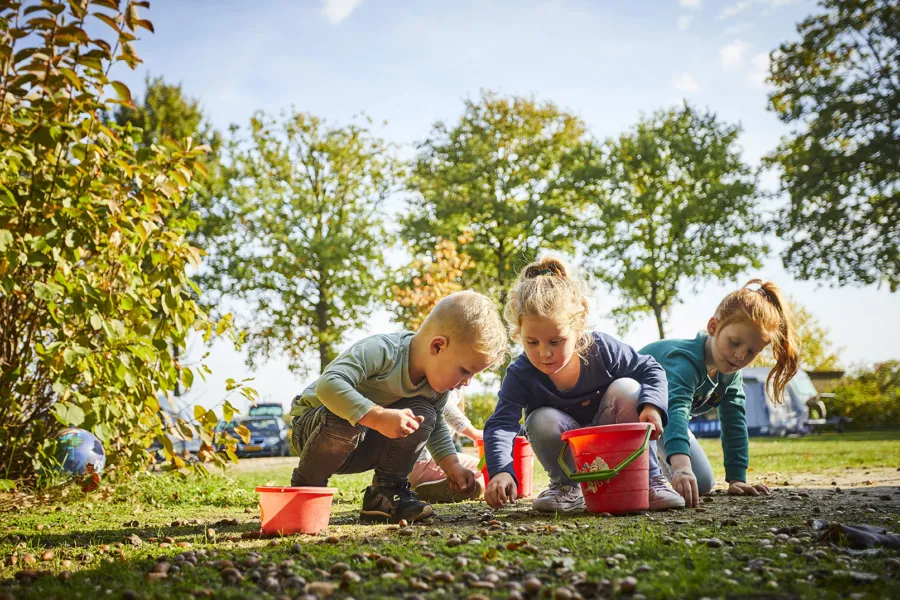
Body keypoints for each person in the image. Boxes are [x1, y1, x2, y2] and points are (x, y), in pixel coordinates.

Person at [483, 257, 684, 512]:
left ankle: (649, 479)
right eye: (532, 342)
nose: (544, 353)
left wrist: (652, 406)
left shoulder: (602, 350)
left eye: (556, 341)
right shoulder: (521, 373)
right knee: (538, 419)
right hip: (570, 450)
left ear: (578, 326)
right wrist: (502, 471)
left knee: (628, 389)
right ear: (518, 332)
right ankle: (567, 487)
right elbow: (501, 424)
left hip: (614, 436)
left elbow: (650, 369)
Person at [289, 291, 507, 523]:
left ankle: (386, 493)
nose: (466, 382)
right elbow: (328, 384)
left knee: (425, 412)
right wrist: (378, 416)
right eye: (465, 370)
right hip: (314, 432)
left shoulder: (434, 390)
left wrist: (452, 465)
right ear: (438, 346)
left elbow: (437, 428)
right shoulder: (383, 351)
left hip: (363, 444)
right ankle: (306, 487)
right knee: (344, 411)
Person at [640, 279, 799, 508]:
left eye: (751, 352)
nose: (740, 356)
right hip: (630, 412)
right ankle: (637, 473)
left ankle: (659, 471)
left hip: (663, 425)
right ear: (713, 327)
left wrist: (737, 479)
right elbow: (676, 410)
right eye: (734, 343)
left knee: (702, 482)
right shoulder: (685, 362)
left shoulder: (730, 373)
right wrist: (682, 467)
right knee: (684, 471)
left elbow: (734, 421)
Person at [409, 391, 485, 503]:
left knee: (479, 467)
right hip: (424, 462)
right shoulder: (449, 384)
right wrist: (475, 433)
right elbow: (445, 407)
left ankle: (430, 486)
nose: (467, 383)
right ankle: (468, 487)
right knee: (486, 472)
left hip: (408, 467)